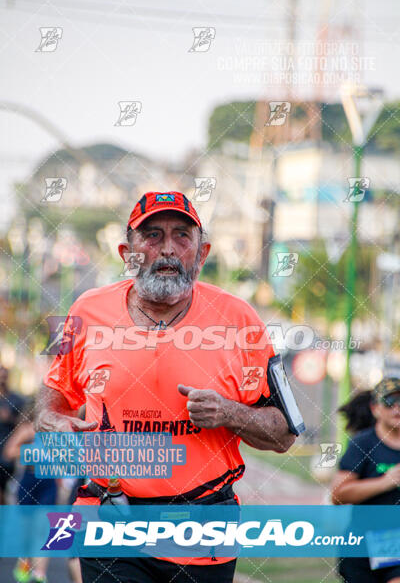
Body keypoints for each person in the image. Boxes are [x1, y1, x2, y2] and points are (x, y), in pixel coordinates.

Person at [35, 190, 296, 583]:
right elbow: (53, 394)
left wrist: (228, 412)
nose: (168, 250)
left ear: (202, 253)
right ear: (128, 253)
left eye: (182, 236)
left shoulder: (241, 319)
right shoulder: (83, 310)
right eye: (153, 235)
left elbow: (284, 435)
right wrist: (52, 419)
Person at [331, 378, 400, 583]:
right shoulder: (362, 443)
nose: (397, 408)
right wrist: (386, 482)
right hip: (361, 543)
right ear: (375, 408)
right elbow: (338, 495)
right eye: (390, 402)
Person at [4, 397, 57, 583]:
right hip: (29, 480)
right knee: (27, 529)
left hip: (48, 482)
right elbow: (9, 452)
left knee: (43, 528)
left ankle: (40, 573)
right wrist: (32, 451)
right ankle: (24, 564)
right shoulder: (27, 429)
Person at [0, 365, 25, 504]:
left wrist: (9, 418)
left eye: (4, 376)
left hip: (7, 455)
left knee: (5, 491)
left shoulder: (16, 400)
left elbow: (24, 423)